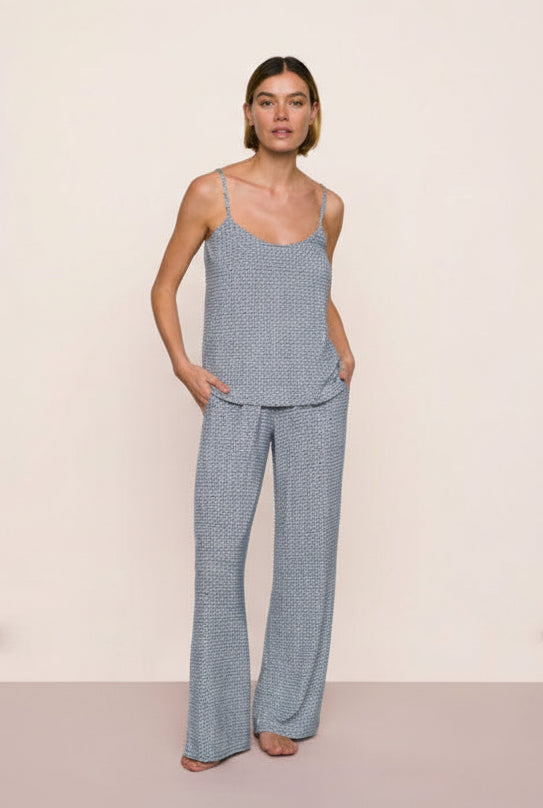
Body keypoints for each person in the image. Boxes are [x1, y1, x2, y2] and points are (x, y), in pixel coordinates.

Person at [150, 55, 355, 772]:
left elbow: (312, 284)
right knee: (218, 563)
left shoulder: (328, 204)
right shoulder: (211, 193)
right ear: (247, 113)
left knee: (305, 565)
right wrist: (184, 365)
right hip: (234, 397)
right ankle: (214, 727)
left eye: (295, 102)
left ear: (311, 116)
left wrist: (343, 348)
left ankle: (283, 713)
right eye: (266, 101)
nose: (280, 114)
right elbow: (165, 284)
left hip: (316, 397)